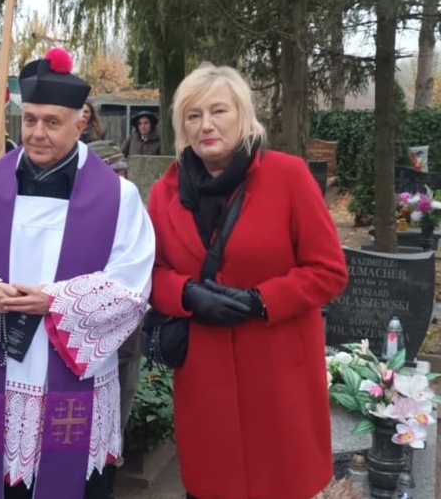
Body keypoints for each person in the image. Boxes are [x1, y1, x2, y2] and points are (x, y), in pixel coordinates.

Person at [0, 48, 155, 499]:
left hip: (74, 376)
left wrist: (54, 302)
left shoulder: (119, 196)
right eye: (29, 119)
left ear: (81, 122)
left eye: (52, 122)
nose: (36, 133)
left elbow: (131, 286)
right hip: (0, 370)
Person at [147, 63, 348, 499]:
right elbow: (151, 272)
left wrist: (262, 300)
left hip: (279, 374)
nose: (206, 125)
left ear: (243, 114)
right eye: (193, 115)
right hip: (205, 374)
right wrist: (186, 293)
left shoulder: (289, 177)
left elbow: (329, 270)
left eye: (218, 111)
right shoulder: (165, 193)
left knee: (281, 483)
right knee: (211, 484)